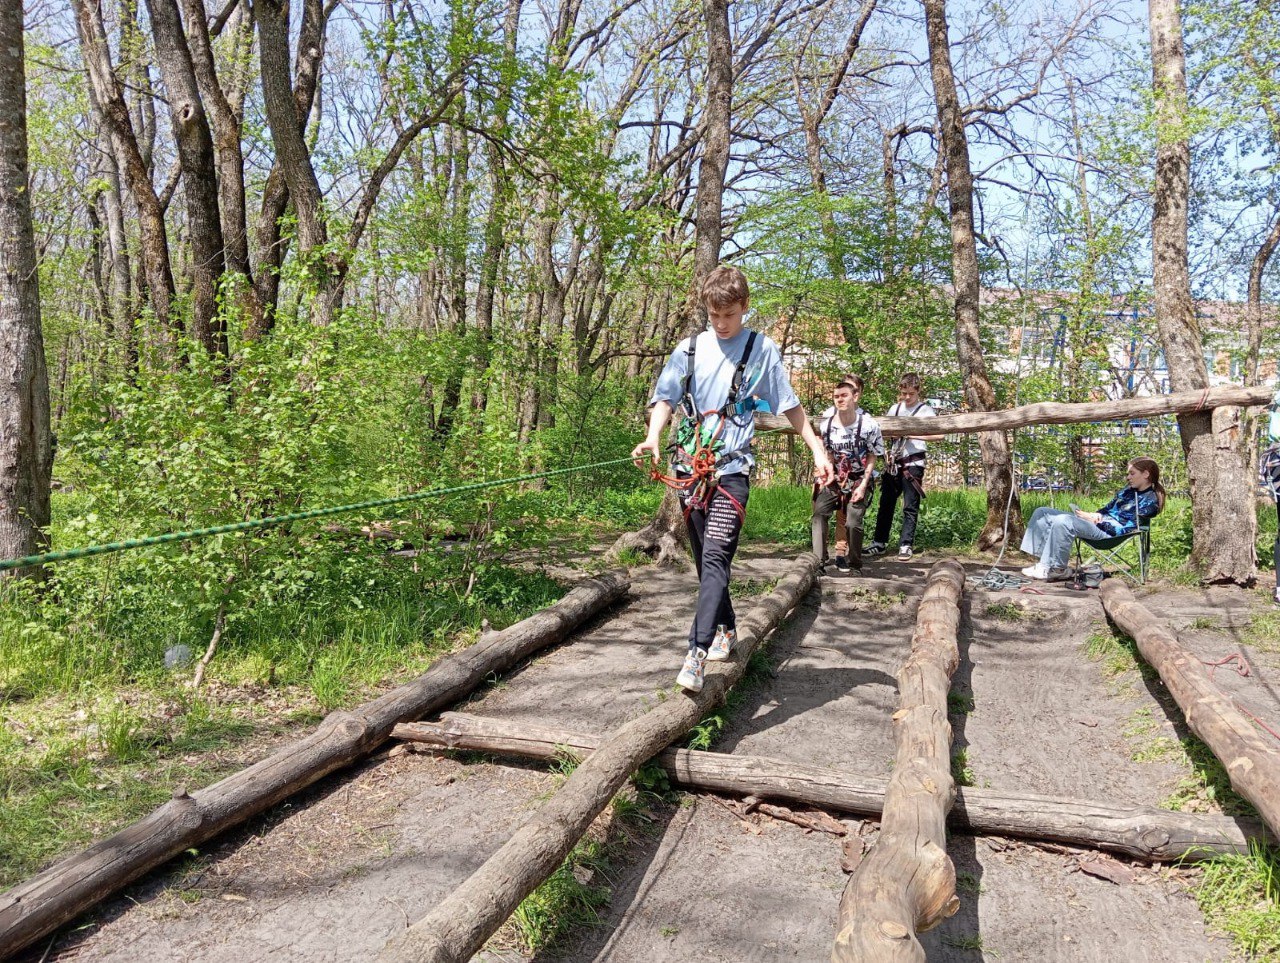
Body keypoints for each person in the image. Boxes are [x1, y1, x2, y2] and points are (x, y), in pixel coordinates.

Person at [632, 265, 833, 693]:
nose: (721, 324)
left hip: (731, 472)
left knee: (715, 561)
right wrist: (652, 437)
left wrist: (817, 450)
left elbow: (791, 408)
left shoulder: (762, 350)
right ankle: (726, 629)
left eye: (729, 315)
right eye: (714, 315)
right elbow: (665, 398)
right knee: (707, 562)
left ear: (745, 308)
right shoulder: (688, 350)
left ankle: (695, 654)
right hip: (690, 471)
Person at [1020, 457, 1166, 581]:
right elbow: (1107, 509)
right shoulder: (1127, 491)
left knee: (1063, 521)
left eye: (1132, 474)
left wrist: (1098, 522)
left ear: (1146, 474)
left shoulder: (1150, 502)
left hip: (1110, 534)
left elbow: (1127, 529)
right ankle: (1043, 563)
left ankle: (1057, 569)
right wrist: (1094, 514)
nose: (1128, 477)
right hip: (1098, 523)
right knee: (1043, 512)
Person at [811, 377, 883, 574]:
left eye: (844, 396)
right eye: (836, 397)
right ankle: (818, 563)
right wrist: (826, 474)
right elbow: (830, 453)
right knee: (819, 513)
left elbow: (872, 456)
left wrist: (863, 484)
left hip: (859, 477)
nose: (839, 400)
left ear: (855, 396)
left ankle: (855, 563)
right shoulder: (827, 425)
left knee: (852, 521)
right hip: (836, 476)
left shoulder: (869, 425)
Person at [867, 373, 942, 561]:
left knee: (910, 505)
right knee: (886, 503)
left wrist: (913, 435)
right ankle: (879, 542)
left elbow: (939, 435)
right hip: (894, 462)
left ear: (918, 391)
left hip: (913, 463)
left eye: (910, 394)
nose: (907, 397)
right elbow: (883, 430)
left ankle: (906, 544)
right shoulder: (896, 408)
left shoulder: (925, 411)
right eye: (903, 393)